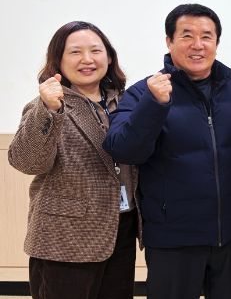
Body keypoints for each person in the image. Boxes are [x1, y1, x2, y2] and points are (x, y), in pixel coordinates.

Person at [103, 4, 231, 299]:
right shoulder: (145, 92)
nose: (197, 45)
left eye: (206, 36)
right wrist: (154, 104)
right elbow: (123, 150)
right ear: (169, 41)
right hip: (172, 238)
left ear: (217, 42)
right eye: (187, 35)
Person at [8, 21, 138, 299]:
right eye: (75, 52)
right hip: (64, 237)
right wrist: (49, 110)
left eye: (96, 50)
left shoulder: (126, 102)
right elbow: (26, 163)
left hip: (120, 229)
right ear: (58, 60)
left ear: (109, 57)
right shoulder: (46, 105)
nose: (87, 59)